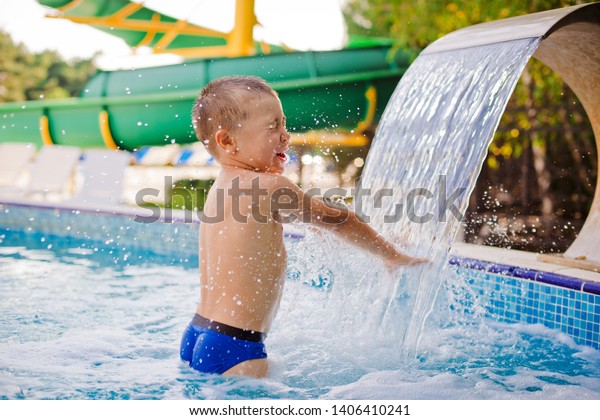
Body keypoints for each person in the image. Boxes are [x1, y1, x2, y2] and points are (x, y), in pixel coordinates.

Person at [180, 75, 427, 378]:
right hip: (237, 345)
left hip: (199, 332)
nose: (286, 136)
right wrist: (391, 255)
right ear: (227, 141)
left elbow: (298, 228)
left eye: (283, 124)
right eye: (273, 127)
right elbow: (340, 221)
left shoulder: (222, 185)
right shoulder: (270, 186)